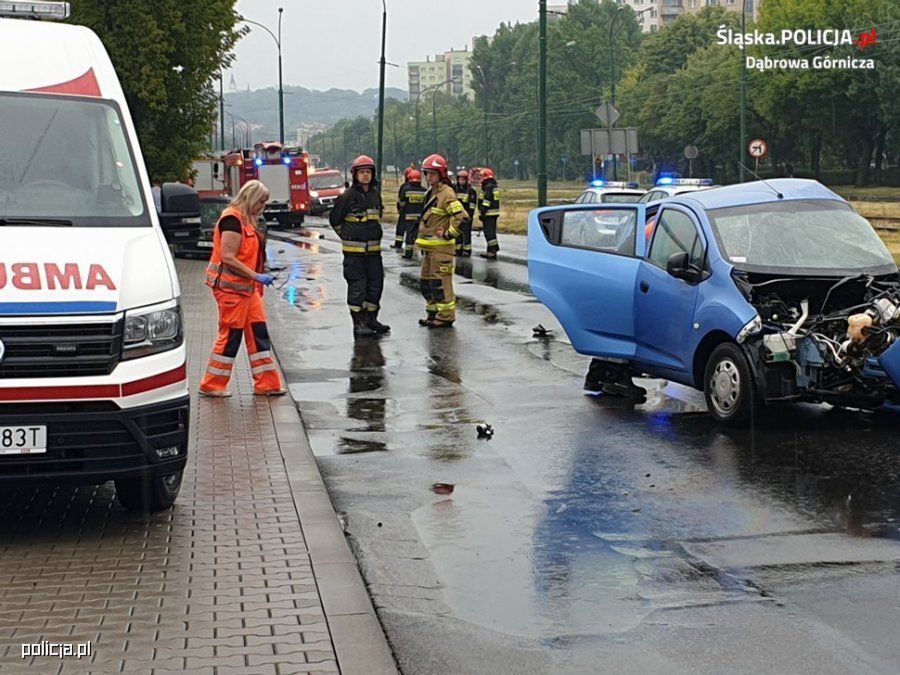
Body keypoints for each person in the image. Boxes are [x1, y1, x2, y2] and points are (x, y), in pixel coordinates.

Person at [199, 180, 285, 398]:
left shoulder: (246, 220)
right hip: (231, 290)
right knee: (230, 336)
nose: (263, 207)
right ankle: (211, 385)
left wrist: (256, 276)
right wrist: (256, 275)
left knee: (258, 334)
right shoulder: (232, 219)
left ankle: (267, 384)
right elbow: (228, 257)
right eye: (261, 202)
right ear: (251, 199)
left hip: (247, 289)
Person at [329, 155, 389, 338]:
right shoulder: (348, 196)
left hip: (373, 253)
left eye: (368, 172)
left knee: (375, 286)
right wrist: (347, 236)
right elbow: (335, 220)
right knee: (358, 287)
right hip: (354, 255)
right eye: (362, 172)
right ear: (355, 174)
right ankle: (359, 322)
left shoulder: (374, 194)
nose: (365, 175)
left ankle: (371, 319)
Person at [416, 154, 465, 328]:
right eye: (427, 173)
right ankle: (432, 313)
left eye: (433, 174)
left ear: (441, 174)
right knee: (426, 283)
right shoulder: (431, 191)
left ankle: (445, 317)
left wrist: (448, 233)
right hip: (429, 250)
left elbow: (462, 217)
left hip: (441, 249)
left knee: (440, 284)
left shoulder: (446, 193)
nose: (429, 177)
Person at [396, 169, 426, 259]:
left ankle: (408, 253)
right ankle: (424, 253)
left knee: (410, 234)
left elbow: (402, 203)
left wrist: (401, 209)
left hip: (409, 217)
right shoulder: (424, 191)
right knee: (421, 235)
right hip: (420, 218)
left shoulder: (406, 189)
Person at [477, 168, 501, 259]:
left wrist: (482, 211)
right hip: (493, 214)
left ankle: (492, 251)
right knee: (491, 232)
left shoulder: (488, 186)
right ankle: (491, 251)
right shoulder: (493, 185)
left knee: (489, 233)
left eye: (481, 176)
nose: (480, 178)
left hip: (488, 214)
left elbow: (486, 201)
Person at [453, 170, 477, 257]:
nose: (461, 181)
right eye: (460, 179)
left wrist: (469, 216)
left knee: (466, 233)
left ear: (466, 180)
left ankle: (467, 250)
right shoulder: (455, 189)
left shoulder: (471, 191)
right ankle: (458, 249)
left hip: (467, 216)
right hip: (457, 216)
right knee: (457, 233)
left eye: (463, 179)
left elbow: (472, 205)